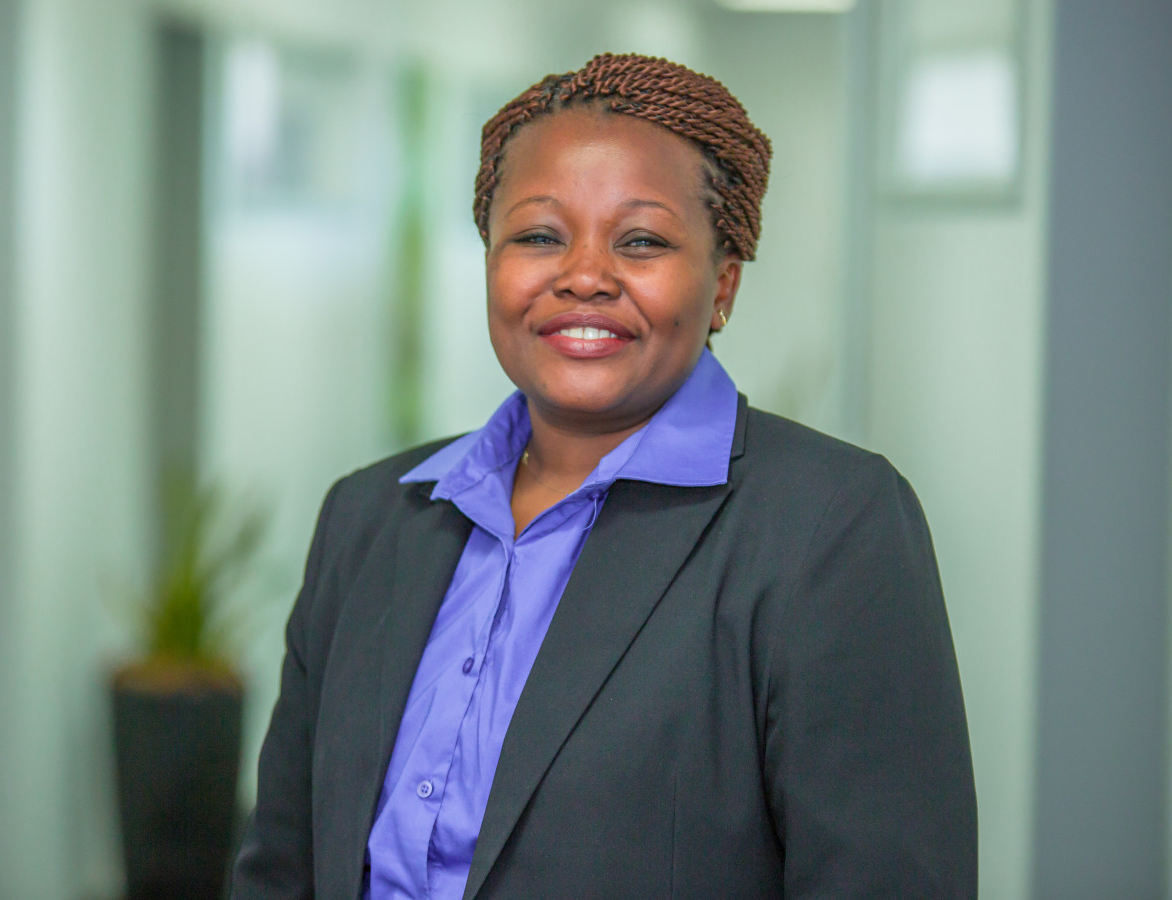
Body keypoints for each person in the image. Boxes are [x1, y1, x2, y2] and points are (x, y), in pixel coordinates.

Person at [229, 53, 976, 899]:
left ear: (724, 284)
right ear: (490, 261)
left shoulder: (831, 527)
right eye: (539, 237)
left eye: (642, 242)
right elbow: (281, 865)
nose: (584, 276)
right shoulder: (369, 516)